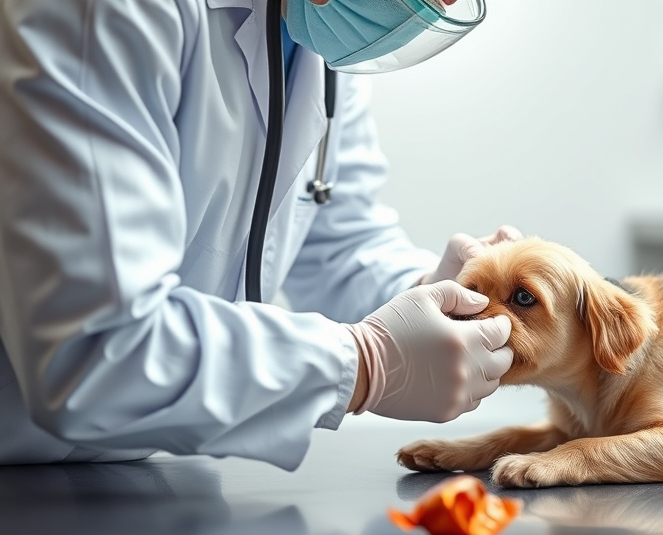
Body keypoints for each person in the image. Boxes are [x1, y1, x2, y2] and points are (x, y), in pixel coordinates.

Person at [0, 0, 517, 471]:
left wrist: (438, 295)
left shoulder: (319, 40)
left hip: (132, 471)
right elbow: (94, 349)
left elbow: (335, 238)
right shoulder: (100, 12)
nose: (445, 4)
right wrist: (363, 361)